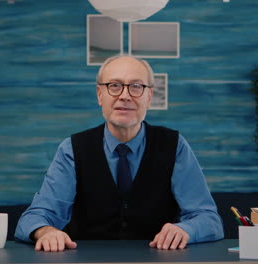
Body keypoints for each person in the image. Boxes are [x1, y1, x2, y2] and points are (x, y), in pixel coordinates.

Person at [15, 55, 224, 252]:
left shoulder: (175, 145)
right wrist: (46, 231)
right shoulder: (72, 149)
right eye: (114, 86)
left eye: (136, 86)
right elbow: (34, 217)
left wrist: (186, 229)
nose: (125, 96)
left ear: (149, 97)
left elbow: (209, 219)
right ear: (100, 95)